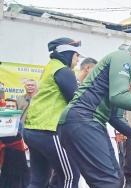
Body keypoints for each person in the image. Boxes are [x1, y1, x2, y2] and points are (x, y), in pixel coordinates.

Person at [56, 36, 131, 188]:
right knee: (108, 182)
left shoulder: (129, 73)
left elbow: (115, 116)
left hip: (91, 123)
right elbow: (118, 97)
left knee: (117, 179)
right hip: (82, 120)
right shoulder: (122, 57)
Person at [24, 37, 84, 188]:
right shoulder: (64, 71)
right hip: (49, 130)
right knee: (70, 175)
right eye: (76, 55)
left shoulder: (50, 67)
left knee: (38, 181)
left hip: (32, 130)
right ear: (67, 53)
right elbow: (76, 102)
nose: (77, 60)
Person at [0, 98, 29, 188]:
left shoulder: (18, 122)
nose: (11, 108)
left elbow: (22, 137)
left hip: (17, 153)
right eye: (8, 106)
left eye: (13, 106)